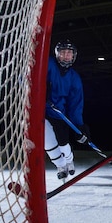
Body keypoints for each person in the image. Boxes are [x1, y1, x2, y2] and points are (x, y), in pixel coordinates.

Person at [44, 39, 89, 181]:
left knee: (63, 143)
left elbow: (75, 104)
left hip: (59, 114)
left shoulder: (74, 78)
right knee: (47, 141)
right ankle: (60, 166)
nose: (66, 56)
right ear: (57, 54)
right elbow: (28, 74)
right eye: (63, 53)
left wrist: (79, 126)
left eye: (69, 53)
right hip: (41, 112)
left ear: (73, 56)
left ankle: (69, 160)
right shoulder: (49, 64)